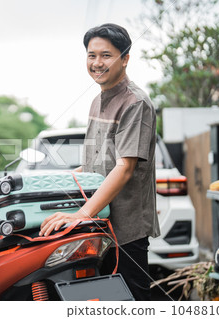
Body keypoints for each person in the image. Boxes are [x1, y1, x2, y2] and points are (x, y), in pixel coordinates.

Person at [40, 23, 160, 301]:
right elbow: (96, 162)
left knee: (132, 301)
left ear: (125, 58)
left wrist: (82, 214)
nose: (97, 63)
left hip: (125, 230)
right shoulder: (97, 100)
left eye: (106, 55)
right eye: (91, 55)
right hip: (99, 226)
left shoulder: (135, 102)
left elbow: (125, 166)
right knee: (102, 301)